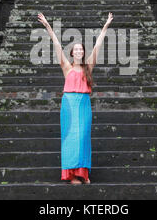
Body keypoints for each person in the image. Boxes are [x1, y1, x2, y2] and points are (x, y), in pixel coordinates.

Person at [37, 12, 114, 184]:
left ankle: (83, 174)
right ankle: (71, 175)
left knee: (83, 137)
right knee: (70, 138)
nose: (79, 51)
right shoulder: (66, 67)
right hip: (69, 104)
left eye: (81, 49)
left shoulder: (88, 67)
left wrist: (105, 26)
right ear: (72, 53)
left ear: (83, 53)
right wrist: (48, 26)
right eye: (76, 49)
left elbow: (98, 46)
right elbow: (56, 44)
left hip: (84, 104)